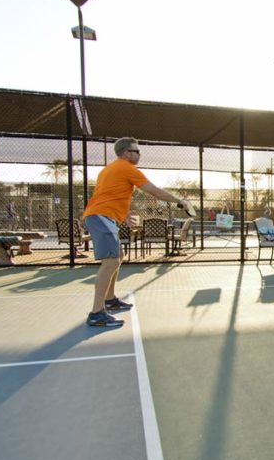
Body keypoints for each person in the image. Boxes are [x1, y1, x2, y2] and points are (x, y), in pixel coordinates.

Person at [81, 137, 196, 327]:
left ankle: (109, 299)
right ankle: (97, 313)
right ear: (127, 153)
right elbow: (154, 191)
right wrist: (180, 201)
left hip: (102, 216)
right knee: (111, 262)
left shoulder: (108, 170)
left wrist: (124, 214)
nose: (139, 154)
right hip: (101, 217)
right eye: (137, 151)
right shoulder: (127, 168)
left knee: (119, 255)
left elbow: (109, 194)